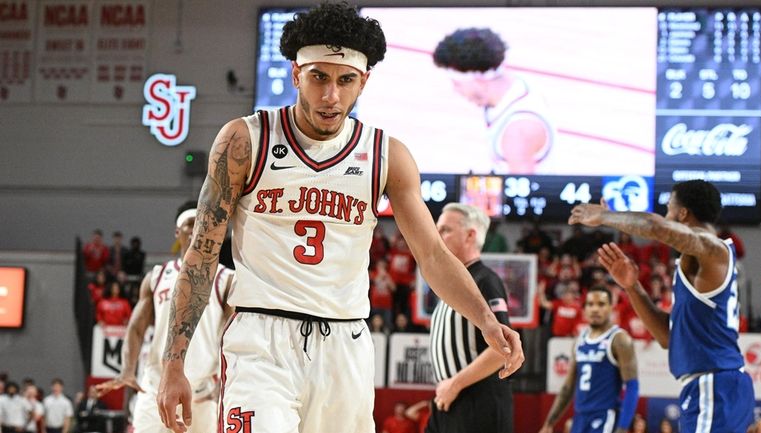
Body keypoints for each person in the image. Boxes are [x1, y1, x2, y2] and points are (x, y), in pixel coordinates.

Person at [156, 4, 524, 433]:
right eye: (319, 78)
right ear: (296, 74)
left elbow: (433, 255)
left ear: (363, 81)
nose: (331, 96)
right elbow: (200, 256)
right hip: (261, 340)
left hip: (345, 344)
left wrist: (485, 319)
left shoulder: (389, 156)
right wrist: (173, 363)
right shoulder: (244, 140)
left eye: (345, 80)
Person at [569, 179, 755, 433]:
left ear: (682, 214)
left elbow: (656, 227)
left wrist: (606, 216)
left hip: (716, 384)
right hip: (710, 385)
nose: (665, 215)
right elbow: (668, 337)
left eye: (668, 209)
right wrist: (632, 286)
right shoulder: (696, 266)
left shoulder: (714, 249)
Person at [96, 201, 235, 433]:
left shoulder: (226, 278)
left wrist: (226, 381)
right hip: (157, 387)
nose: (195, 229)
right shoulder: (157, 276)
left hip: (203, 391)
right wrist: (127, 370)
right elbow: (136, 327)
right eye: (190, 224)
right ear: (177, 232)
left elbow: (234, 336)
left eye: (201, 223)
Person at [427, 203, 513, 433]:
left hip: (476, 401)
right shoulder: (450, 284)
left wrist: (455, 385)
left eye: (445, 230)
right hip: (450, 398)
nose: (437, 236)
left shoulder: (485, 281)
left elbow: (503, 349)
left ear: (470, 235)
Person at [433, 28, 555, 174]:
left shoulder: (518, 132)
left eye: (457, 84)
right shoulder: (514, 85)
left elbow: (523, 192)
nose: (455, 90)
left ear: (478, 79)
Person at [539, 285, 639, 433]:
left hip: (605, 416)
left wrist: (623, 428)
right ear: (584, 309)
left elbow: (632, 386)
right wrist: (549, 423)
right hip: (580, 417)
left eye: (601, 304)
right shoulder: (580, 340)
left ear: (611, 308)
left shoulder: (619, 339)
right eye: (590, 304)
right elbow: (568, 387)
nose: (595, 309)